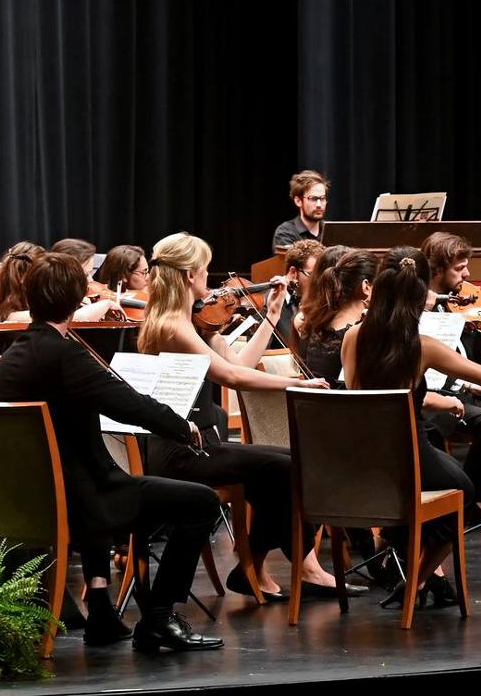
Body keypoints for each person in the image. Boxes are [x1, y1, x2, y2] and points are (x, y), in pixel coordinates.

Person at [0, 253, 223, 652]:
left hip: (34, 493)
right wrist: (181, 427)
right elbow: (129, 404)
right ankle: (159, 617)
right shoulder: (67, 356)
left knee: (99, 470)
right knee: (201, 501)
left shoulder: (11, 359)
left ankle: (100, 605)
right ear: (78, 298)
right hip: (84, 497)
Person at [136, 232, 347, 603]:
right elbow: (231, 377)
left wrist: (270, 317)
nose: (210, 281)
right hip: (181, 451)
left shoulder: (183, 321)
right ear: (189, 275)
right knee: (287, 467)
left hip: (200, 444)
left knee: (282, 468)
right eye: (204, 270)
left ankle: (256, 569)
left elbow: (238, 365)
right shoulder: (174, 325)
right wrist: (295, 385)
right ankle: (297, 566)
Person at [342, 247, 481, 609]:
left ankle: (409, 564)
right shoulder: (420, 347)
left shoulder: (354, 337)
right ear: (418, 298)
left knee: (441, 489)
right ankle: (418, 579)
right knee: (461, 493)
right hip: (408, 455)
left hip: (362, 457)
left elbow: (355, 398)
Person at [419, 231, 481, 516]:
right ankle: (466, 498)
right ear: (436, 270)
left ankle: (471, 496)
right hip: (429, 398)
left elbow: (450, 360)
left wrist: (470, 384)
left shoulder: (451, 302)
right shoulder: (417, 306)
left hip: (455, 391)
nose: (468, 274)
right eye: (459, 268)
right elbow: (425, 361)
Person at [295, 249, 378, 385]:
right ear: (366, 287)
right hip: (342, 404)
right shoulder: (359, 332)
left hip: (310, 404)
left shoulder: (314, 323)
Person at [276, 239, 324, 343]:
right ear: (293, 272)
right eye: (312, 275)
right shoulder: (270, 304)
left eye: (322, 275)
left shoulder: (324, 303)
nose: (319, 282)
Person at [272, 170, 329, 250]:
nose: (319, 204)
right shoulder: (285, 232)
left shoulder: (330, 231)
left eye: (322, 198)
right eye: (313, 199)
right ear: (298, 201)